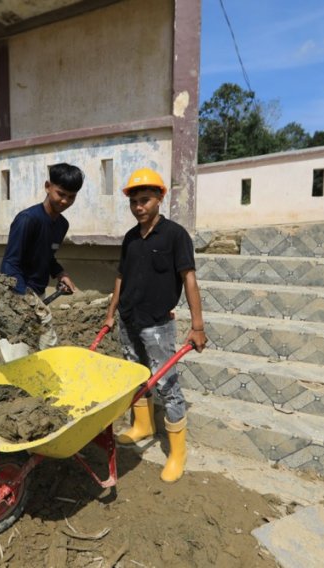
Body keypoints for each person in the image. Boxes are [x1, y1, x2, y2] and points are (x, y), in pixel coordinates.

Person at [102, 167, 207, 483]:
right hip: (128, 320)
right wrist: (111, 312)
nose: (138, 207)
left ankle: (177, 453)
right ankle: (142, 426)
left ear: (160, 198)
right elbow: (121, 276)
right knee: (136, 375)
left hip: (157, 326)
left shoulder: (175, 235)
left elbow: (188, 278)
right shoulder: (131, 238)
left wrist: (198, 325)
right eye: (133, 202)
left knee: (167, 384)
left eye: (144, 200)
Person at [0, 163, 84, 350]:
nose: (65, 201)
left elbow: (47, 257)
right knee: (16, 353)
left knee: (46, 348)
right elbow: (10, 263)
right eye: (61, 194)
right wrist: (24, 301)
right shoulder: (28, 219)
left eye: (71, 197)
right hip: (17, 298)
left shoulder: (62, 224)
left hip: (38, 295)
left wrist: (61, 274)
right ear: (48, 186)